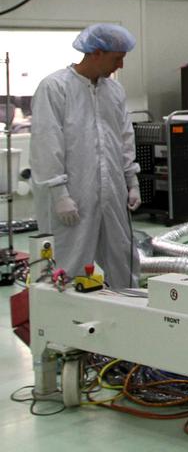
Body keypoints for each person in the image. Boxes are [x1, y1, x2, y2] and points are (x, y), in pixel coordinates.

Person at [29, 24, 141, 288]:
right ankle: (65, 318)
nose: (121, 65)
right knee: (68, 260)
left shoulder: (113, 91)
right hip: (72, 194)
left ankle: (130, 309)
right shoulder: (55, 88)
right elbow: (47, 143)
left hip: (112, 192)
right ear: (97, 53)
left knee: (122, 256)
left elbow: (124, 138)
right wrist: (59, 193)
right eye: (117, 58)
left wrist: (131, 180)